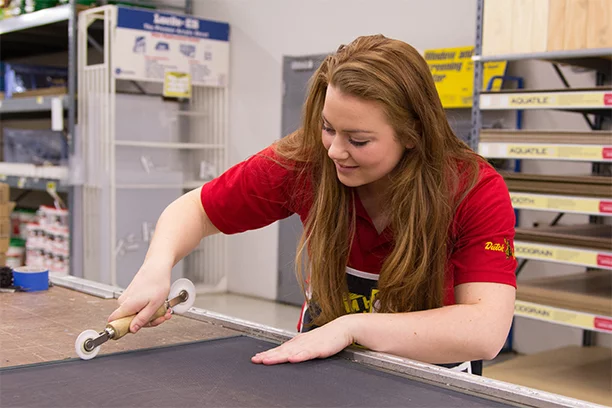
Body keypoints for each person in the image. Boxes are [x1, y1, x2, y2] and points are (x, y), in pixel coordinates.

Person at [108, 34, 517, 375]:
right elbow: (194, 210)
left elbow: (484, 330)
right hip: (323, 369)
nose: (336, 150)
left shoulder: (472, 189)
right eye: (327, 128)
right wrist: (156, 267)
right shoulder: (304, 162)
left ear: (412, 134)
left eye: (358, 140)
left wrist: (352, 327)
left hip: (430, 379)